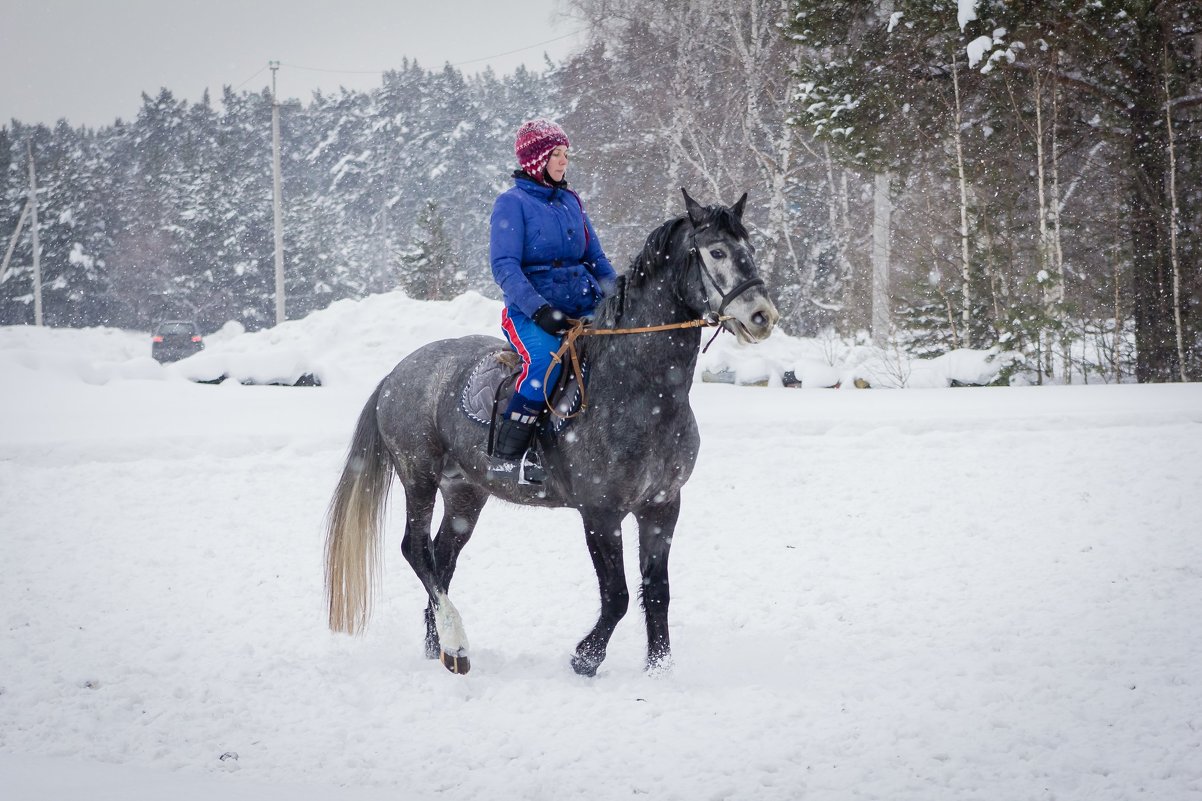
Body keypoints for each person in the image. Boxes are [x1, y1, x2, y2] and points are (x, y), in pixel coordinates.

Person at [487, 119, 617, 482]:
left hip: (583, 306)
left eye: (565, 154)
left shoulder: (571, 201)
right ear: (535, 160)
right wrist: (539, 309)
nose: (563, 162)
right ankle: (512, 456)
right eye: (555, 155)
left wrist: (619, 296)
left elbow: (597, 259)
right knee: (547, 364)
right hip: (532, 313)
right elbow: (504, 266)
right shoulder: (512, 204)